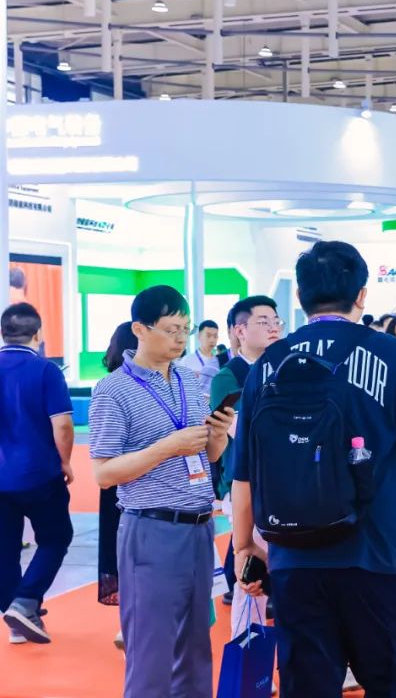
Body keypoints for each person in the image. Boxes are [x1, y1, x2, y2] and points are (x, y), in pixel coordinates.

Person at [231, 241, 396, 697]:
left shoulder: (269, 364)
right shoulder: (392, 355)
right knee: (389, 683)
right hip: (377, 550)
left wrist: (243, 544)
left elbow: (245, 472)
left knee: (306, 685)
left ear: (300, 297)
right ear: (362, 295)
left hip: (293, 554)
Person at [89, 286, 234, 698]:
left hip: (200, 527)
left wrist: (217, 435)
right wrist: (167, 447)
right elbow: (103, 474)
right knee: (151, 652)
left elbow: (206, 456)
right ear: (140, 329)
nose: (181, 339)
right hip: (151, 530)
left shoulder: (188, 379)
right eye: (172, 330)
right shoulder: (113, 390)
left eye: (185, 329)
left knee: (196, 648)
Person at [0, 303, 74, 645]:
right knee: (56, 538)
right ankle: (26, 602)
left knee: (4, 549)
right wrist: (66, 461)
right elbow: (63, 424)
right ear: (38, 333)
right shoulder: (46, 370)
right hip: (39, 473)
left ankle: (15, 620)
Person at [209, 296, 282, 635]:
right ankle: (248, 649)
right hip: (244, 483)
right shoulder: (229, 377)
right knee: (251, 575)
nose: (273, 327)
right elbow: (239, 429)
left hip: (284, 482)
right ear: (239, 331)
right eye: (264, 321)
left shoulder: (283, 367)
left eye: (276, 321)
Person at [97, 322, 138, 652]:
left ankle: (130, 623)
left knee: (122, 552)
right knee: (130, 553)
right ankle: (131, 623)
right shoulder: (114, 388)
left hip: (120, 483)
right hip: (127, 480)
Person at [178, 319, 222, 398]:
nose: (212, 340)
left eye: (215, 336)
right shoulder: (186, 361)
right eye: (208, 336)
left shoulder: (219, 362)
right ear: (199, 337)